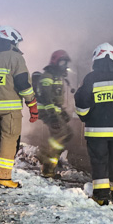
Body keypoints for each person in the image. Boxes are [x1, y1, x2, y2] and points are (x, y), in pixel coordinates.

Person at [74, 42, 113, 206]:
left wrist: (84, 117)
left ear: (96, 57)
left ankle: (101, 196)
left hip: (96, 131)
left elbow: (81, 104)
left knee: (99, 161)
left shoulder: (91, 78)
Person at [0, 26, 38, 188]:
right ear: (12, 41)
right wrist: (32, 104)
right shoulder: (15, 58)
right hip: (10, 111)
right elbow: (23, 84)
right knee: (9, 141)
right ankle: (4, 177)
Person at [37, 50, 74, 178]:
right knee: (60, 133)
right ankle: (45, 161)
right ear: (55, 61)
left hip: (53, 110)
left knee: (67, 134)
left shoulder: (58, 76)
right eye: (62, 62)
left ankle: (49, 165)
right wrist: (53, 115)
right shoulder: (48, 76)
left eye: (66, 63)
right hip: (47, 111)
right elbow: (46, 96)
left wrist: (62, 112)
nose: (64, 65)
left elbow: (56, 99)